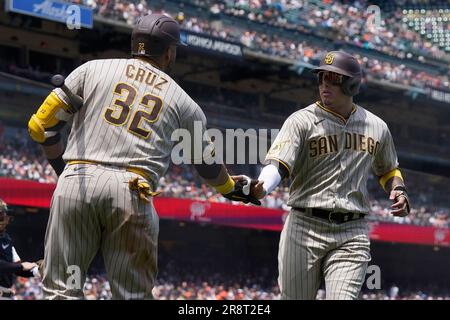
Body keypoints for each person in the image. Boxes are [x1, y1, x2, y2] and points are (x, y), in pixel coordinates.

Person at [28, 13, 258, 300]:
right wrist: (230, 188)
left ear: (135, 42)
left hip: (77, 182)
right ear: (170, 52)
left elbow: (41, 127)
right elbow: (207, 165)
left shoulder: (91, 69)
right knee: (132, 295)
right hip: (131, 193)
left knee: (62, 290)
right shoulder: (184, 102)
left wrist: (64, 172)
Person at [250, 51, 411, 299]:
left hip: (351, 231)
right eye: (322, 77)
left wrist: (398, 190)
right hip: (304, 225)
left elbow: (388, 169)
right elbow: (279, 164)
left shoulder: (377, 127)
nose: (325, 84)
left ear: (352, 84)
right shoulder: (301, 120)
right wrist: (262, 186)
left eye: (333, 78)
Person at [0, 198, 40, 299]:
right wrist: (21, 266)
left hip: (7, 295)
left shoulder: (6, 239)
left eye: (3, 213)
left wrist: (39, 270)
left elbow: (16, 268)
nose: (5, 216)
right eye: (1, 213)